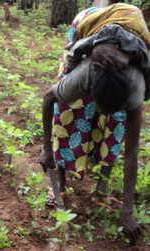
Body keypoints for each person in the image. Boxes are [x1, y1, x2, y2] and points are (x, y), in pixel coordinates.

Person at [39, 3, 150, 244]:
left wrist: (127, 212)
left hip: (130, 30)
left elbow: (131, 151)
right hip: (87, 28)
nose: (103, 112)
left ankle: (102, 190)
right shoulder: (85, 73)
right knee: (69, 112)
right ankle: (60, 181)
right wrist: (47, 148)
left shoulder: (136, 89)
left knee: (115, 125)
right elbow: (49, 100)